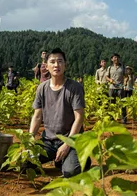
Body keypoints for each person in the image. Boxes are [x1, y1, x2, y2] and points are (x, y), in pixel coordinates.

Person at [29, 48, 90, 178]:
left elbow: (79, 118)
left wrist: (67, 144)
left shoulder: (75, 88)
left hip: (71, 139)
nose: (56, 65)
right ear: (46, 66)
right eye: (53, 62)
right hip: (49, 141)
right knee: (24, 163)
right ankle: (60, 157)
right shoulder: (42, 88)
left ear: (65, 65)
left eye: (60, 61)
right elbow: (37, 116)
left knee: (70, 172)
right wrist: (30, 139)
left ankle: (82, 157)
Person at [106, 53, 127, 124]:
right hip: (112, 87)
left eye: (117, 57)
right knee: (112, 103)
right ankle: (111, 119)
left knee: (123, 103)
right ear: (112, 59)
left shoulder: (122, 67)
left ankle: (124, 119)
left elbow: (126, 76)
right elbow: (106, 77)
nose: (116, 59)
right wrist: (110, 80)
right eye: (115, 57)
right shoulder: (109, 68)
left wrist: (125, 82)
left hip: (120, 87)